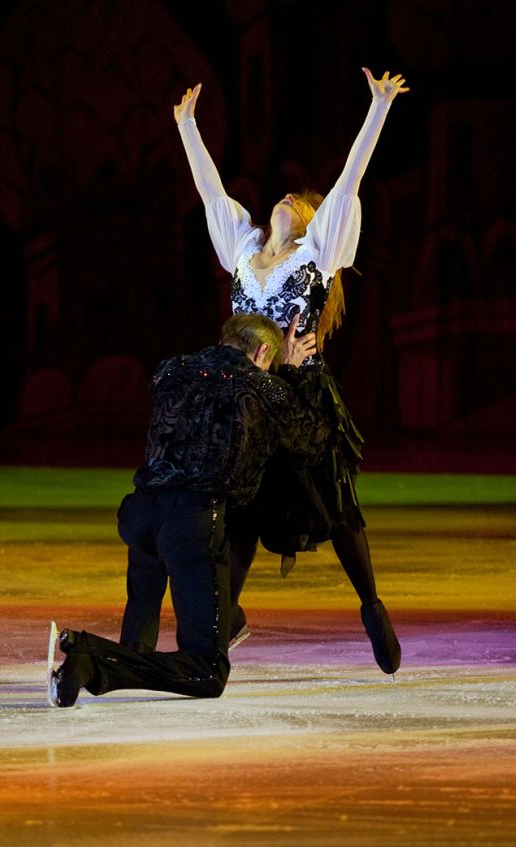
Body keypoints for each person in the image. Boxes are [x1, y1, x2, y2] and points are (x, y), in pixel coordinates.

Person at [173, 67, 409, 675]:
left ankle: (372, 606)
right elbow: (209, 191)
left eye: (295, 201)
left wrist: (378, 108)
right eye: (282, 196)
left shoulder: (316, 251)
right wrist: (189, 126)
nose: (284, 197)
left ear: (308, 218)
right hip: (247, 400)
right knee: (243, 510)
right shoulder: (243, 252)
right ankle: (227, 620)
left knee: (336, 504)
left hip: (301, 397)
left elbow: (351, 176)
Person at [49, 311, 329, 707]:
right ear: (264, 350)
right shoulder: (262, 384)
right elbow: (312, 437)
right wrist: (292, 374)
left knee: (139, 637)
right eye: (270, 359)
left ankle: (94, 663)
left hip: (141, 512)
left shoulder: (172, 368)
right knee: (207, 671)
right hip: (193, 522)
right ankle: (90, 656)